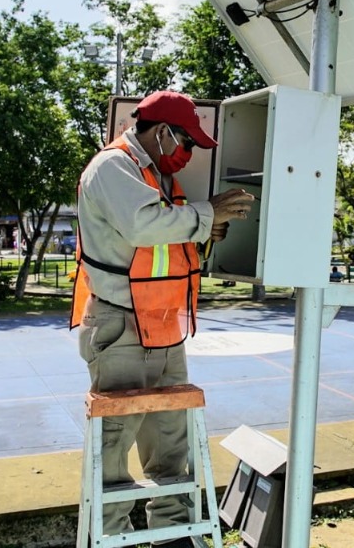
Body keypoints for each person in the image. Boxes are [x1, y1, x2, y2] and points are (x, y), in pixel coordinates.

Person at [71, 90, 255, 546]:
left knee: (171, 441)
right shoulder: (113, 167)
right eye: (185, 142)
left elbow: (169, 241)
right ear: (161, 132)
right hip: (120, 327)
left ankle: (173, 534)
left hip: (165, 326)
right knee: (114, 444)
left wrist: (205, 228)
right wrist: (205, 214)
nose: (188, 154)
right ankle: (110, 537)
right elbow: (142, 225)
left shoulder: (158, 179)